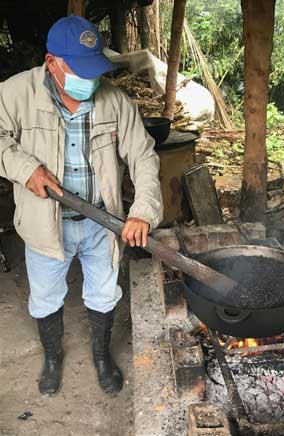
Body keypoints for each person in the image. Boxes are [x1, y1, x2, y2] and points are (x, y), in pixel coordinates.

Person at [0, 15, 163, 395]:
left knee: (105, 293)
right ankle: (53, 357)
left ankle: (102, 356)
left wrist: (142, 210)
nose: (90, 81)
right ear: (51, 61)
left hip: (100, 223)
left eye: (94, 70)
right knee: (45, 296)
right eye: (80, 70)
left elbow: (143, 156)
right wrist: (26, 169)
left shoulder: (114, 100)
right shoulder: (15, 93)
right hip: (45, 222)